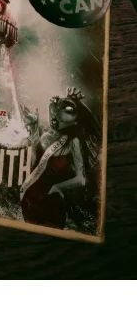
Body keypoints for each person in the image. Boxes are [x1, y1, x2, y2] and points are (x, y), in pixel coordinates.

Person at [20, 88, 101, 233]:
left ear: (76, 121)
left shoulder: (74, 142)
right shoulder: (47, 136)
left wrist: (57, 187)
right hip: (32, 201)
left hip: (52, 203)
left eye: (66, 110)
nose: (55, 117)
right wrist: (34, 128)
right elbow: (35, 162)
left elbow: (81, 179)